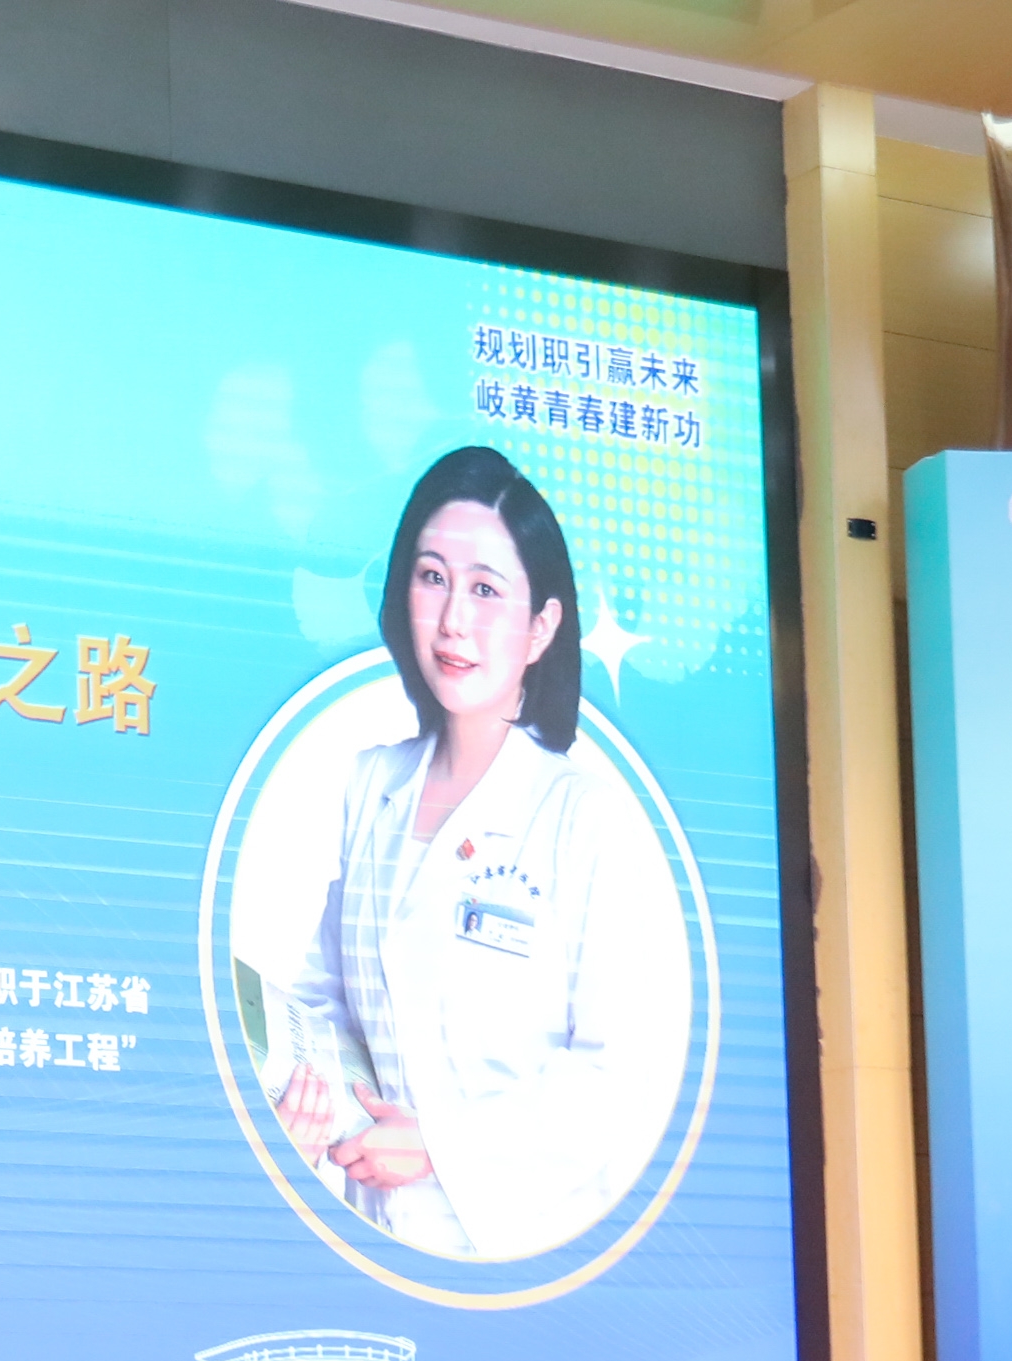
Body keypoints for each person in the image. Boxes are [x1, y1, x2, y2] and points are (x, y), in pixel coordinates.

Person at [262, 446, 691, 1263]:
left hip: (524, 1249)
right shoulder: (369, 785)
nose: (454, 619)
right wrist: (302, 1091)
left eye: (487, 589)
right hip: (376, 1233)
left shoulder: (586, 817)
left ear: (542, 628)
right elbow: (327, 1000)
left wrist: (439, 1145)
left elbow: (618, 1080)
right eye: (433, 577)